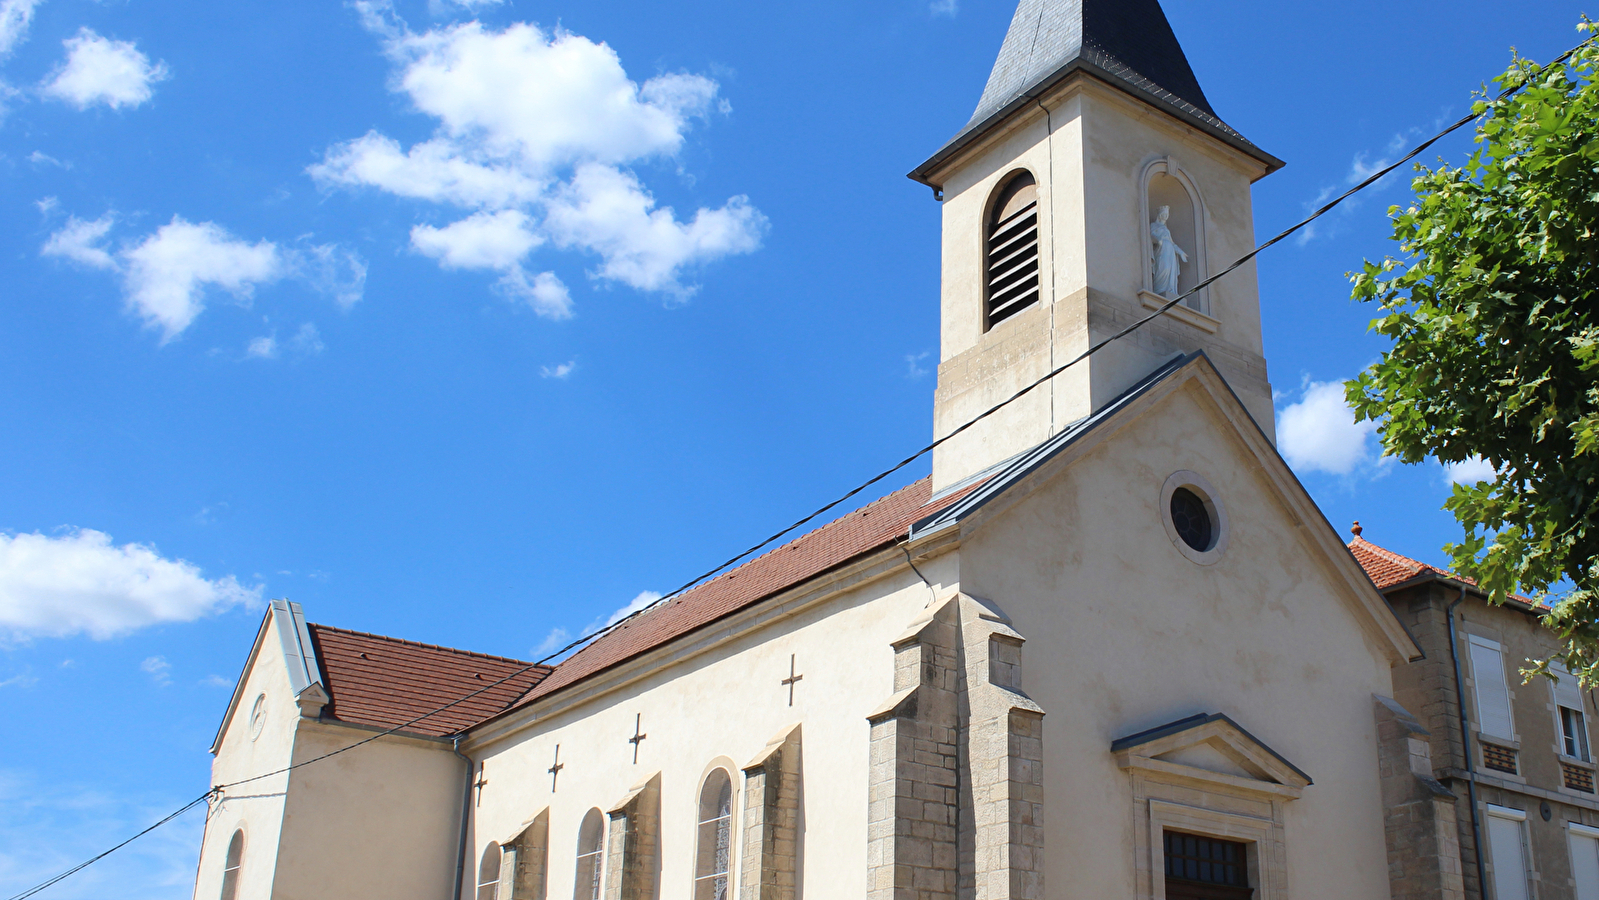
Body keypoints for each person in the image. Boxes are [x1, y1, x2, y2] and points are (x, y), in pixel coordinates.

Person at [1150, 205, 1188, 298]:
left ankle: (1170, 290)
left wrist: (1181, 252)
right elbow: (1151, 236)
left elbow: (1172, 243)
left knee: (1171, 272)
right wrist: (1158, 240)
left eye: (1167, 214)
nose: (1166, 216)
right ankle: (1159, 289)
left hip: (1170, 252)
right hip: (1161, 251)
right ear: (1159, 215)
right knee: (1164, 268)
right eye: (1164, 214)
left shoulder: (1167, 230)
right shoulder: (1154, 225)